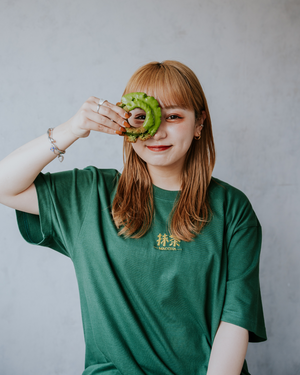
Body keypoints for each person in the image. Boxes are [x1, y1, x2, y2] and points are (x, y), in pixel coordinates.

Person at [0, 60, 267, 375]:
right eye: (143, 117)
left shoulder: (231, 208)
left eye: (174, 116)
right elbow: (6, 186)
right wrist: (72, 129)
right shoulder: (91, 194)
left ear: (199, 124)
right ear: (126, 123)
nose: (157, 131)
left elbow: (235, 319)